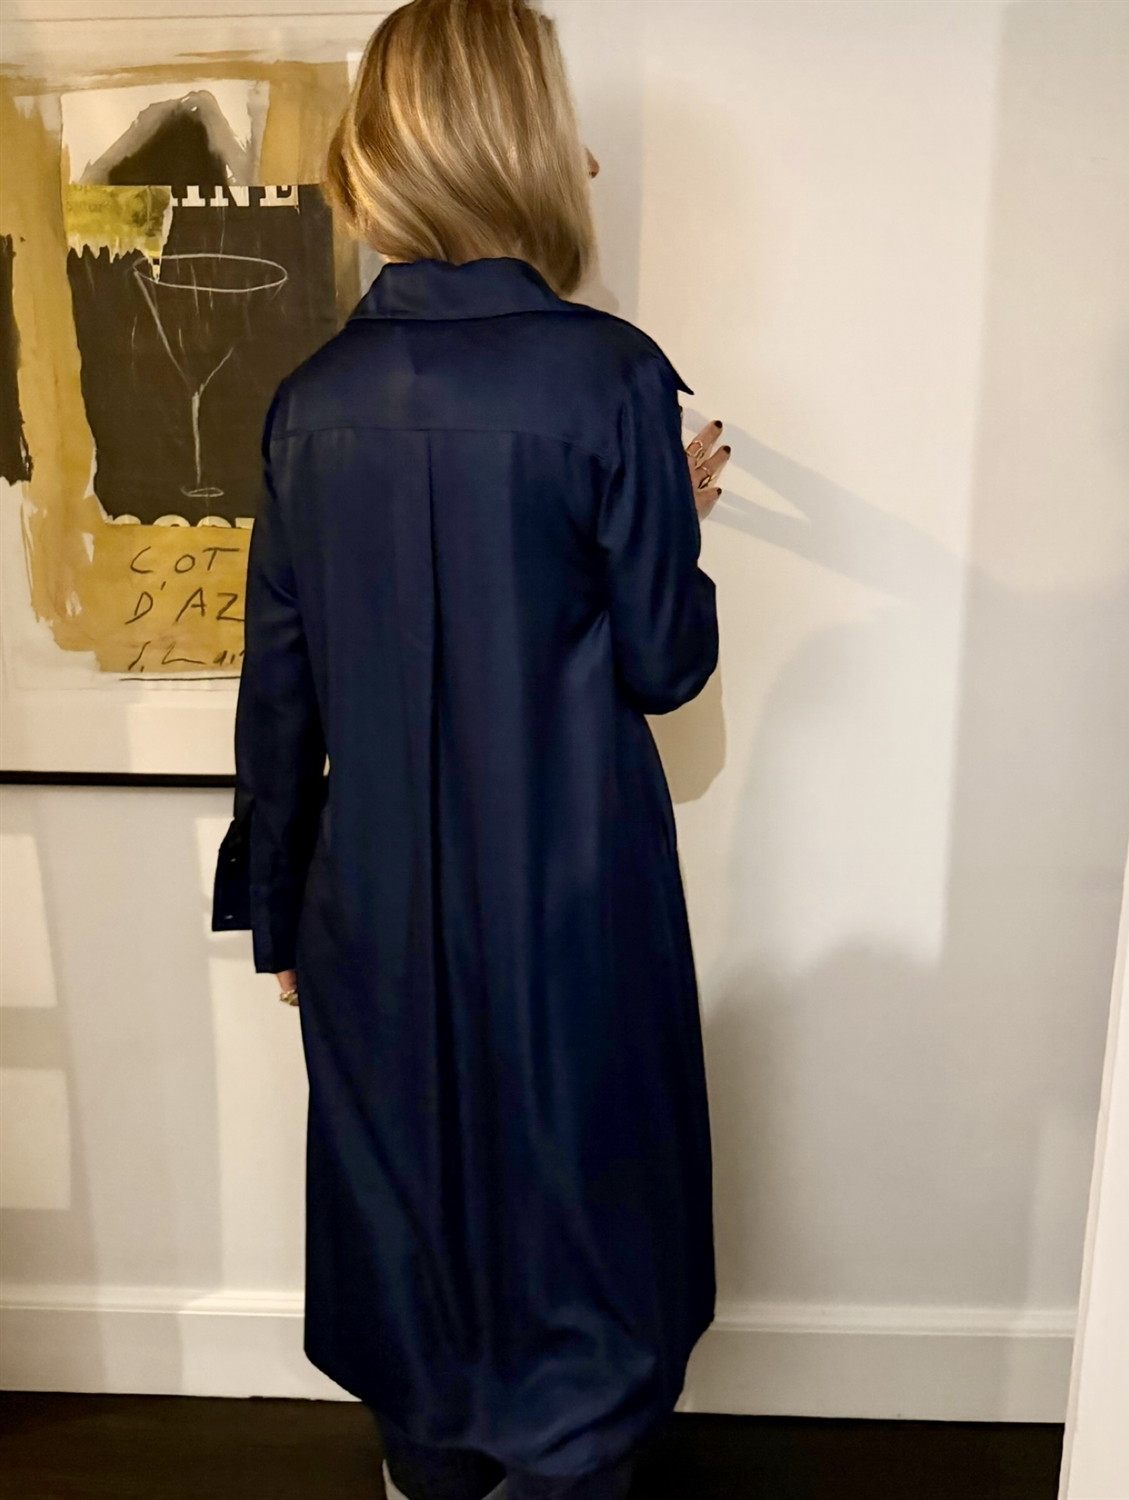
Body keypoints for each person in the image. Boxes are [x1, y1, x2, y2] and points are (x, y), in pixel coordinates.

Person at [212, 1, 729, 1495]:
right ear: (521, 143)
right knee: (585, 1194)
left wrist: (279, 902)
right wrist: (674, 522)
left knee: (407, 1200)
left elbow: (279, 688)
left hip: (369, 902)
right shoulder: (610, 380)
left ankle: (434, 1467)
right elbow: (666, 661)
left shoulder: (308, 404)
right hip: (573, 891)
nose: (586, 154)